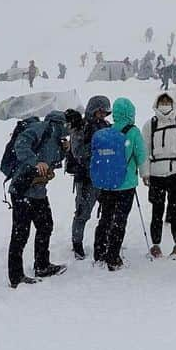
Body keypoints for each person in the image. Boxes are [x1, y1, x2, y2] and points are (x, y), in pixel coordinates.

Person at [6, 112, 70, 288]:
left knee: (45, 225)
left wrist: (64, 151)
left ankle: (42, 265)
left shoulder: (56, 139)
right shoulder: (41, 128)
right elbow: (20, 145)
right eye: (66, 125)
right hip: (22, 190)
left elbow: (53, 163)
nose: (68, 129)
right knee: (20, 233)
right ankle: (16, 276)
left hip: (38, 192)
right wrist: (35, 162)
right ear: (59, 123)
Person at [90, 97, 148, 271]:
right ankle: (113, 257)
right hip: (126, 183)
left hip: (107, 183)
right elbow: (141, 156)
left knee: (106, 217)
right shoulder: (133, 132)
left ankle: (99, 252)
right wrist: (143, 174)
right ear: (130, 113)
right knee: (119, 220)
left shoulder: (108, 130)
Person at [143, 91, 176, 259]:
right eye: (162, 102)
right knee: (157, 210)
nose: (164, 105)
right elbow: (145, 149)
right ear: (157, 104)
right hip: (156, 173)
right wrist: (145, 172)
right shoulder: (150, 124)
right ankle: (156, 244)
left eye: (167, 101)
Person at [67, 96, 110, 259]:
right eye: (100, 111)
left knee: (108, 211)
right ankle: (77, 244)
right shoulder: (81, 127)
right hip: (86, 177)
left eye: (105, 112)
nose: (103, 115)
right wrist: (98, 150)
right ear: (93, 110)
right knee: (82, 212)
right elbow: (78, 152)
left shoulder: (106, 126)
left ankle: (104, 241)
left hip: (104, 176)